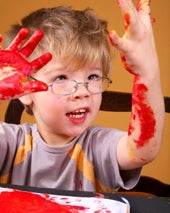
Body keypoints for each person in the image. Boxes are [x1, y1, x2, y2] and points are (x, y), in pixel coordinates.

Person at [0, 0, 164, 192]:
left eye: (93, 76)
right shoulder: (10, 142)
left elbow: (143, 151)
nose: (83, 91)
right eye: (61, 77)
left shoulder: (99, 146)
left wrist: (147, 72)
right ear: (26, 92)